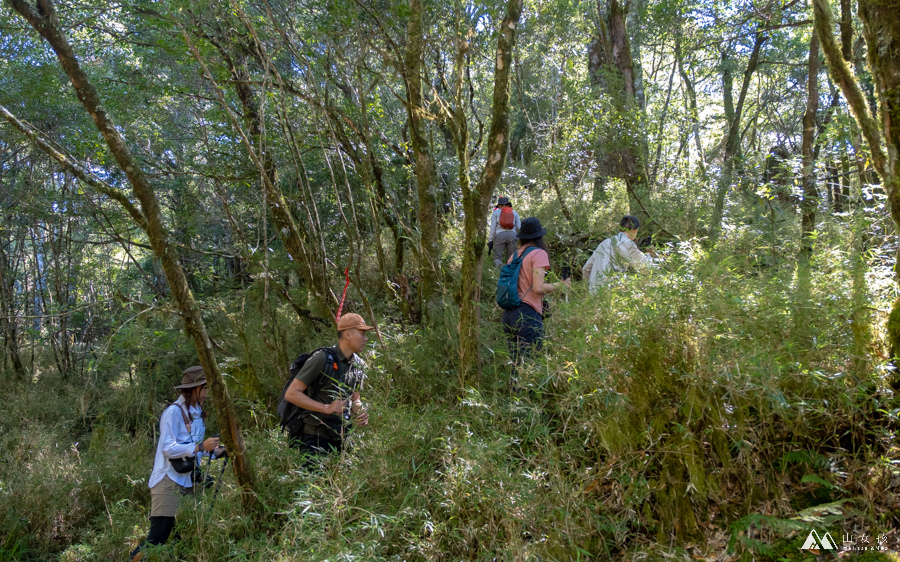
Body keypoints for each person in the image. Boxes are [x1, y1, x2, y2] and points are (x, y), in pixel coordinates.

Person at [130, 366, 224, 561]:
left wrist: (217, 452)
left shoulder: (197, 415)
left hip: (188, 482)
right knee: (157, 538)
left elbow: (195, 453)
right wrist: (200, 446)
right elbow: (167, 448)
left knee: (183, 537)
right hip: (167, 481)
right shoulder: (173, 412)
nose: (207, 393)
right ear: (193, 388)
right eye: (204, 388)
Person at [283, 313, 373, 457]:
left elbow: (355, 398)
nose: (366, 339)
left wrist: (360, 410)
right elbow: (292, 394)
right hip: (315, 437)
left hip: (343, 435)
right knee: (315, 480)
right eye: (362, 333)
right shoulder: (322, 358)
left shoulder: (359, 365)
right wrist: (326, 408)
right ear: (348, 335)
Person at [502, 217, 570, 368]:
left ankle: (515, 392)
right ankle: (527, 393)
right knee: (532, 367)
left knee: (517, 366)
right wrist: (562, 285)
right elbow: (538, 288)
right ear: (539, 237)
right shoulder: (538, 254)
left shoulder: (513, 257)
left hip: (509, 315)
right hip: (527, 314)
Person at [582, 215, 655, 294]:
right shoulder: (628, 244)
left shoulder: (604, 243)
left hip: (595, 292)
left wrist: (587, 286)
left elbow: (586, 268)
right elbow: (644, 267)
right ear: (634, 230)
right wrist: (649, 254)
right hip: (612, 292)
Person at [489, 196, 522, 267]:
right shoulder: (514, 213)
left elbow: (493, 228)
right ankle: (511, 274)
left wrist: (490, 240)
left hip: (499, 235)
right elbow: (519, 227)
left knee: (497, 258)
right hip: (512, 235)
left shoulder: (496, 212)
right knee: (512, 258)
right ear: (508, 205)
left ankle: (499, 273)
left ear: (499, 205)